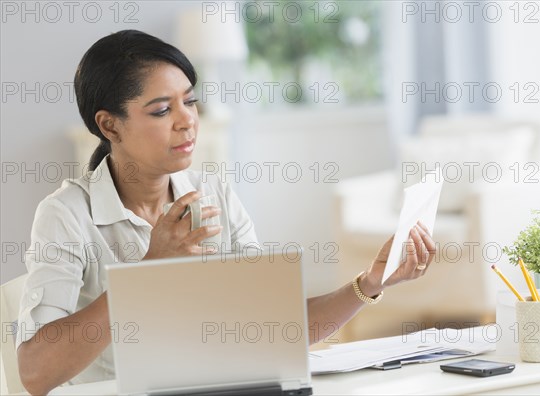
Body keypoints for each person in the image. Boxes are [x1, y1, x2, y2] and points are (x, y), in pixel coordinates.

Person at [16, 30, 436, 395]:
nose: (187, 122)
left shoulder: (212, 192)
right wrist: (148, 271)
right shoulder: (66, 215)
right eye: (162, 110)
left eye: (190, 102)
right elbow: (35, 374)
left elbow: (275, 330)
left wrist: (371, 282)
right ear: (109, 126)